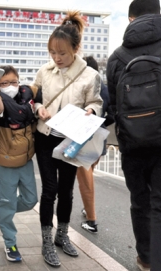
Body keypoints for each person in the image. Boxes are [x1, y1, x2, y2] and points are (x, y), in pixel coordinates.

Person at [32, 11, 103, 268]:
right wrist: (38, 108)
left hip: (72, 141)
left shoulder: (90, 76)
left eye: (62, 52)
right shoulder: (45, 71)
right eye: (52, 52)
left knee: (67, 191)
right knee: (49, 189)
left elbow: (97, 102)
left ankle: (62, 235)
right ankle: (46, 241)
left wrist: (91, 111)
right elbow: (34, 97)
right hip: (46, 137)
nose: (57, 58)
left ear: (76, 48)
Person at [107, 0, 161, 270]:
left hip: (132, 143)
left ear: (131, 19)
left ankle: (145, 259)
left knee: (140, 202)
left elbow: (113, 107)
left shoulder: (117, 57)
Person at [0, 65, 38, 262]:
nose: (10, 86)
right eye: (4, 83)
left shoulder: (25, 96)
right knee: (6, 204)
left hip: (26, 160)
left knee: (30, 201)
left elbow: (29, 109)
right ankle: (10, 242)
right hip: (6, 163)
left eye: (13, 82)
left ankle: (4, 210)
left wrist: (4, 103)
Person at [77, 56, 114, 234]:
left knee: (85, 179)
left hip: (85, 138)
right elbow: (113, 113)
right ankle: (88, 209)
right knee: (89, 175)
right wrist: (101, 123)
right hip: (100, 137)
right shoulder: (104, 89)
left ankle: (91, 220)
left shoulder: (86, 89)